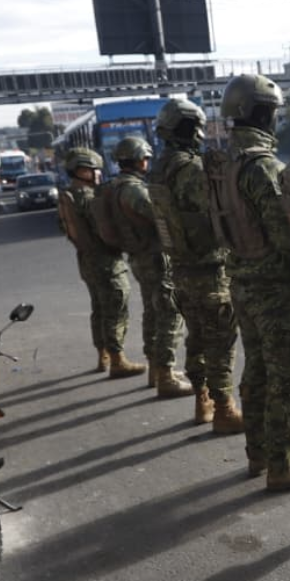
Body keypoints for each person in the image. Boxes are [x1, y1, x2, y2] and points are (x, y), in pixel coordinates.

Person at [211, 74, 290, 492]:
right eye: (273, 112)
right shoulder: (264, 167)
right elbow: (286, 238)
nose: (276, 119)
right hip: (277, 290)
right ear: (261, 113)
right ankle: (282, 465)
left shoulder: (224, 164)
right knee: (288, 379)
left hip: (242, 282)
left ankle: (257, 453)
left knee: (257, 371)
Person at [148, 99, 244, 434]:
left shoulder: (159, 167)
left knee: (198, 337)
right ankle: (224, 409)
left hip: (180, 267)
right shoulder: (190, 169)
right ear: (192, 128)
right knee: (220, 341)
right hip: (208, 268)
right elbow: (217, 210)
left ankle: (203, 401)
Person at [109, 137, 192, 399]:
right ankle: (166, 375)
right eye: (144, 158)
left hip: (140, 257)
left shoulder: (117, 186)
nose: (146, 162)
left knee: (153, 312)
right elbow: (158, 214)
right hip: (154, 257)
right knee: (169, 313)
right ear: (137, 159)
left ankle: (156, 369)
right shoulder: (133, 190)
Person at [57, 147, 146, 378]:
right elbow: (106, 231)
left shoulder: (68, 195)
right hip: (106, 262)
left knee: (99, 309)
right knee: (116, 309)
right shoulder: (89, 198)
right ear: (81, 171)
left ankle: (103, 355)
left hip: (86, 260)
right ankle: (118, 360)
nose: (98, 173)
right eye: (93, 169)